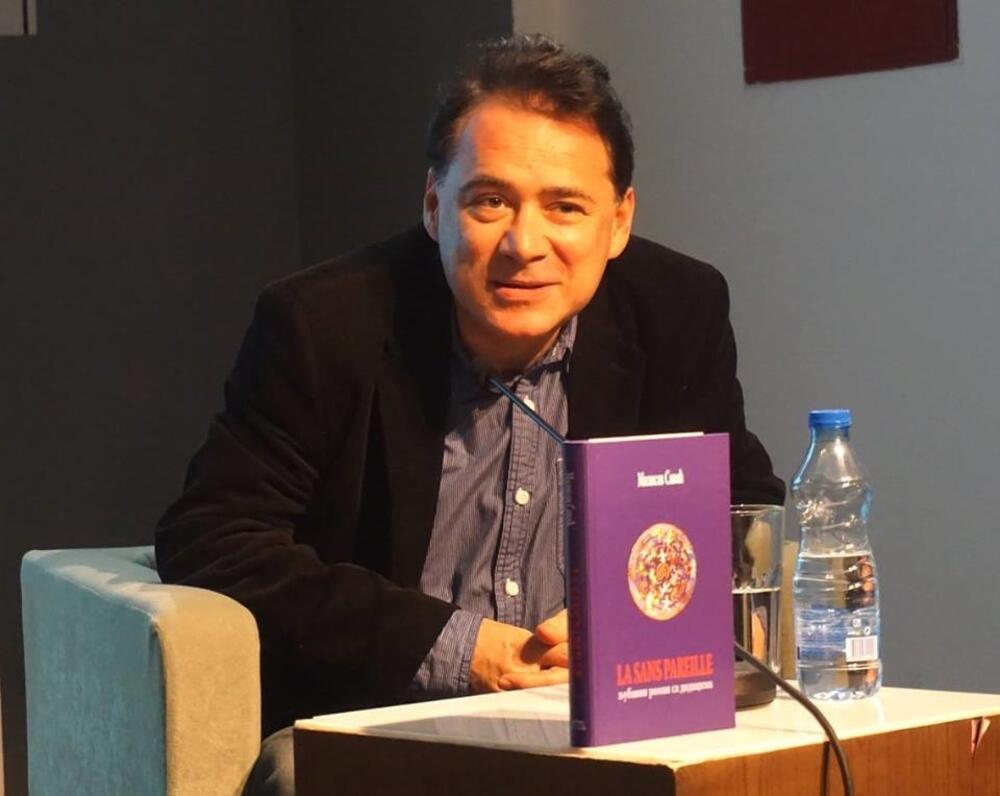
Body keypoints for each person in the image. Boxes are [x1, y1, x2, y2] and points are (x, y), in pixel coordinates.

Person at [155, 33, 784, 794]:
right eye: (490, 201)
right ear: (434, 206)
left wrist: (636, 627)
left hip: (608, 718)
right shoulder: (325, 325)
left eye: (565, 207)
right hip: (380, 715)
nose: (525, 244)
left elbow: (742, 512)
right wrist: (463, 648)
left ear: (618, 222)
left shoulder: (675, 310)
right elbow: (213, 538)